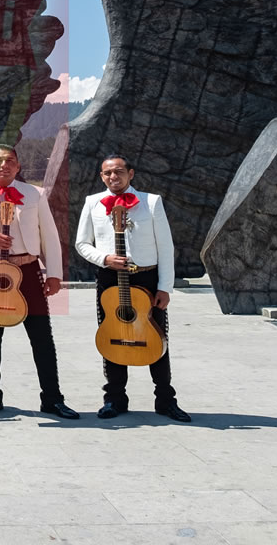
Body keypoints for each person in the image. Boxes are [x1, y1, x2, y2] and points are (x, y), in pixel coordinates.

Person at [0, 145, 83, 420]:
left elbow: (49, 234)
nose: (4, 165)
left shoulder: (34, 193)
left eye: (10, 161)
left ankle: (52, 399)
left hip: (28, 270)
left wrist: (54, 273)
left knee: (42, 337)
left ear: (18, 167)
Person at [74, 154, 191, 422]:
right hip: (110, 279)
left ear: (131, 173)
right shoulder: (93, 202)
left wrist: (165, 287)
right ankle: (114, 399)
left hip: (146, 280)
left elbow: (165, 247)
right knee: (112, 336)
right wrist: (104, 258)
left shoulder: (151, 202)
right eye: (107, 173)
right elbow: (82, 244)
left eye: (118, 172)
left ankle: (165, 400)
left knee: (156, 338)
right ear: (101, 176)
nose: (113, 177)